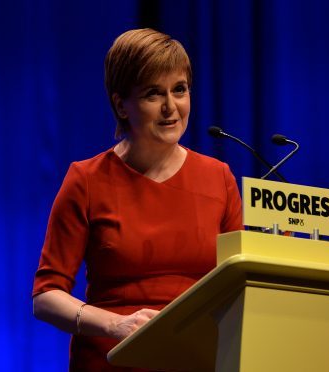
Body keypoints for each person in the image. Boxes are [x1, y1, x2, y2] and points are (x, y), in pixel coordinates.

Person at [32, 28, 243, 371]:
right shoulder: (86, 179)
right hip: (111, 359)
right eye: (152, 94)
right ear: (121, 105)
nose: (170, 107)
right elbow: (46, 297)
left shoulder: (218, 177)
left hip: (197, 361)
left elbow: (236, 286)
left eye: (180, 90)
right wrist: (116, 324)